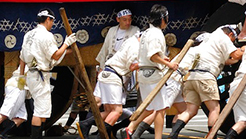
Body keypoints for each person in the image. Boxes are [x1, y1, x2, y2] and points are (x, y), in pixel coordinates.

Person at [169, 26, 242, 139]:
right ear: (230, 35)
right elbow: (236, 55)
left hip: (191, 77)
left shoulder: (208, 39)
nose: (232, 43)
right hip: (206, 77)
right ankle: (211, 136)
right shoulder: (224, 38)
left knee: (190, 110)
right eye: (233, 40)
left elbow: (226, 60)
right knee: (214, 108)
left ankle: (173, 135)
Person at [20, 9, 78, 139]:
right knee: (39, 111)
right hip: (39, 76)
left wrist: (21, 78)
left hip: (31, 74)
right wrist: (66, 43)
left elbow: (22, 57)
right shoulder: (46, 35)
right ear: (48, 20)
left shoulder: (28, 34)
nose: (52, 24)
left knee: (43, 112)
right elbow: (55, 55)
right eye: (52, 21)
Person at [80, 31, 143, 138]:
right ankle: (100, 136)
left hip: (108, 74)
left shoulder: (130, 41)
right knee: (117, 111)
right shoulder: (135, 45)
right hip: (113, 76)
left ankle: (86, 123)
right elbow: (132, 66)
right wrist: (148, 63)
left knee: (109, 111)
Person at [137, 5, 178, 139]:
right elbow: (153, 56)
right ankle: (158, 138)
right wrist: (169, 64)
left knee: (149, 108)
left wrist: (163, 59)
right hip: (152, 75)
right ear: (162, 19)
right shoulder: (155, 33)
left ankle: (130, 128)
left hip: (144, 73)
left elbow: (153, 56)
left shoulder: (147, 32)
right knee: (160, 109)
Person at [0, 62, 27, 139]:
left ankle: (3, 134)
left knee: (22, 117)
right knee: (4, 113)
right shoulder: (30, 56)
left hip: (21, 87)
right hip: (17, 86)